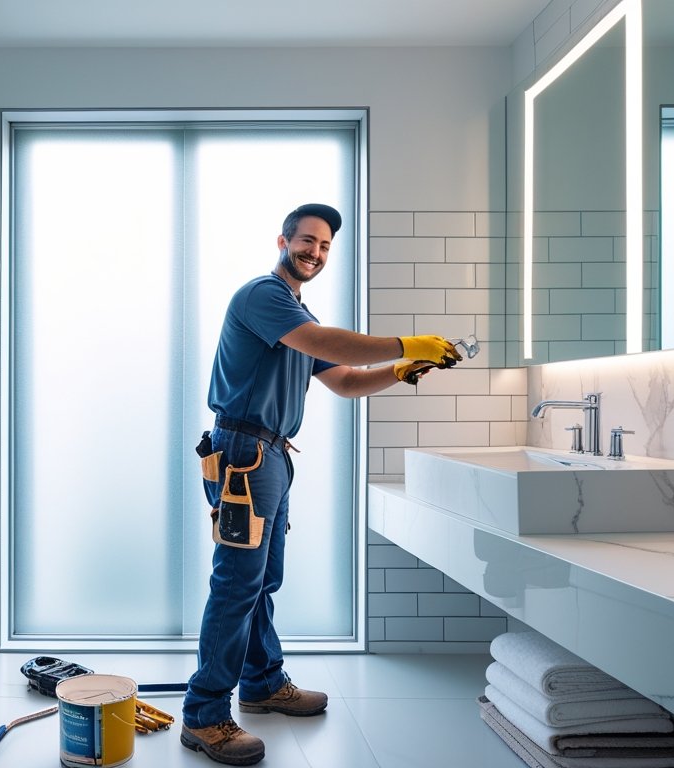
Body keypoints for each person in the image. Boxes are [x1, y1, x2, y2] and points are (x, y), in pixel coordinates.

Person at [180, 203, 462, 765]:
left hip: (273, 458)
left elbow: (348, 381)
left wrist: (399, 371)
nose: (316, 251)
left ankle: (260, 682)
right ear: (282, 240)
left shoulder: (294, 317)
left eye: (326, 245)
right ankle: (205, 714)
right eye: (308, 240)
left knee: (263, 582)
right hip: (244, 456)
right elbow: (333, 346)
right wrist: (407, 344)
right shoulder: (265, 297)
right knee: (238, 583)